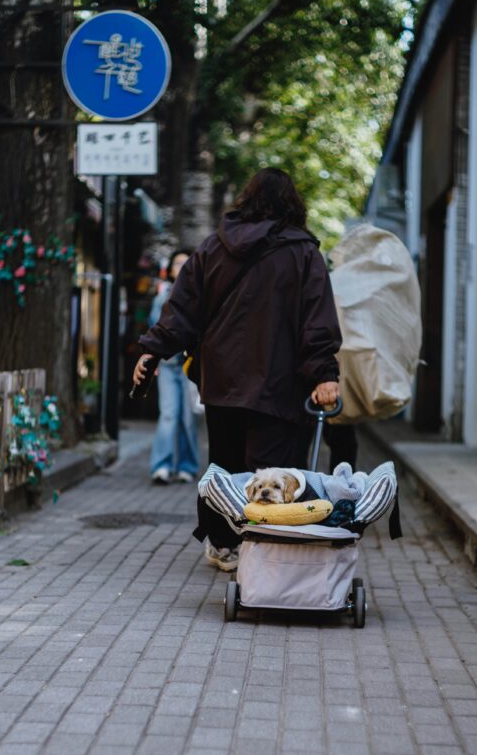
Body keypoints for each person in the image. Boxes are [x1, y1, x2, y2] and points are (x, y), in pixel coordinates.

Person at [133, 167, 341, 569]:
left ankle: (222, 543)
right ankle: (267, 550)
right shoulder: (304, 255)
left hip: (222, 381)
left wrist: (152, 349)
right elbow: (317, 319)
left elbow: (182, 306)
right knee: (276, 471)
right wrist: (323, 374)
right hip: (279, 385)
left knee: (225, 467)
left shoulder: (213, 248)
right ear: (293, 205)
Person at [148, 250, 200, 485]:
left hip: (189, 365)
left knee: (188, 418)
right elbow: (155, 327)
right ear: (170, 269)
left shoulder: (198, 293)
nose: (181, 267)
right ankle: (161, 466)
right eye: (177, 263)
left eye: (185, 263)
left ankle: (187, 466)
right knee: (168, 415)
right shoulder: (163, 295)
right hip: (168, 365)